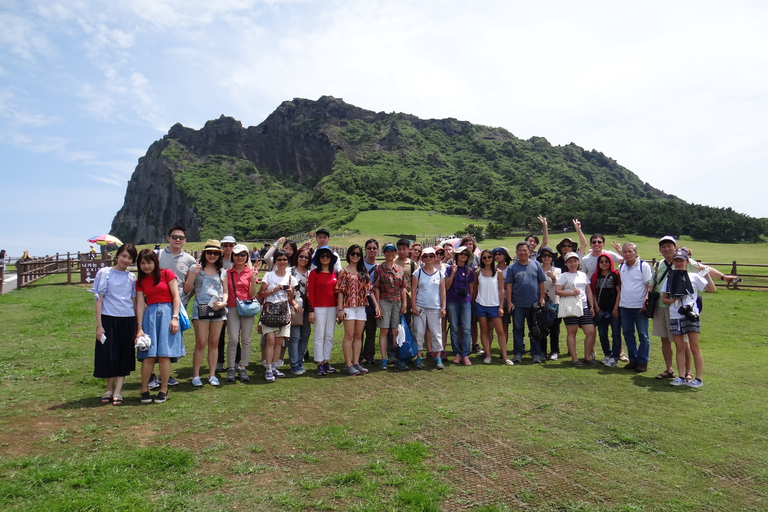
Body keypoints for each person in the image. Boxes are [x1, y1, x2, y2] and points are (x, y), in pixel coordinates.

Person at [91, 243, 138, 406]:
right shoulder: (104, 273)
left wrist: (138, 325)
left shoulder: (131, 277)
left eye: (130, 258)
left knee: (124, 354)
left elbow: (134, 300)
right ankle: (108, 390)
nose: (126, 260)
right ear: (117, 255)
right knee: (108, 355)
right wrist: (99, 325)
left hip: (127, 318)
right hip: (108, 318)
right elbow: (98, 299)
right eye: (124, 256)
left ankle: (118, 391)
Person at [662, 249, 716, 388]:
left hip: (691, 315)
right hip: (675, 315)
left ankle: (698, 378)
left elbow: (712, 289)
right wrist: (674, 299)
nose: (679, 263)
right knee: (679, 347)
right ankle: (680, 376)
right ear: (673, 262)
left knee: (694, 347)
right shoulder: (670, 278)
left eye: (681, 261)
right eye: (676, 261)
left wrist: (706, 273)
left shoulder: (694, 277)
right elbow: (664, 299)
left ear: (687, 262)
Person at [135, 249, 183, 404]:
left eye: (149, 262)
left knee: (164, 354)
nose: (146, 266)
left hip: (167, 313)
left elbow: (176, 296)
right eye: (142, 263)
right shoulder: (140, 281)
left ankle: (163, 389)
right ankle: (144, 389)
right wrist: (139, 327)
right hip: (150, 315)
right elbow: (140, 304)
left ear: (155, 262)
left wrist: (175, 317)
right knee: (148, 355)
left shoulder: (166, 273)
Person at [155, 224, 197, 389]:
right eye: (174, 237)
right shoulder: (157, 255)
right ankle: (151, 374)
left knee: (172, 339)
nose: (177, 240)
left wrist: (187, 297)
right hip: (157, 302)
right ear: (168, 238)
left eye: (181, 237)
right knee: (156, 336)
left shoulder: (190, 260)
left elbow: (188, 287)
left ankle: (164, 375)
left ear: (185, 240)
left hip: (179, 305)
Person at [184, 239, 229, 387]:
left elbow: (225, 291)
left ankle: (212, 374)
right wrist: (194, 273)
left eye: (215, 253)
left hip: (217, 309)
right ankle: (196, 375)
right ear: (204, 253)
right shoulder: (196, 268)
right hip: (201, 309)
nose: (212, 255)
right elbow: (187, 288)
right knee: (201, 343)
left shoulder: (222, 272)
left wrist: (223, 302)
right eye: (209, 252)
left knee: (214, 343)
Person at [257, 249, 299, 382]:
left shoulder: (291, 278)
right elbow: (260, 294)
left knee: (279, 342)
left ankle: (274, 366)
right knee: (270, 340)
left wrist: (290, 292)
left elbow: (290, 298)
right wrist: (273, 290)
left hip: (283, 312)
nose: (282, 262)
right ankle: (268, 368)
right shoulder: (269, 276)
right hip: (269, 311)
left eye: (284, 259)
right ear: (275, 261)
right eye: (279, 259)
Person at [336, 244, 377, 375]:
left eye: (358, 254)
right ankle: (348, 364)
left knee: (358, 335)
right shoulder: (344, 271)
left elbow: (370, 290)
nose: (355, 256)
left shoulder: (363, 271)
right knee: (349, 335)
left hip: (361, 306)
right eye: (353, 253)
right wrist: (340, 309)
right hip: (348, 306)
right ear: (349, 255)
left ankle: (356, 362)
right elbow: (340, 291)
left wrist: (376, 305)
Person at [652, 236, 689, 380]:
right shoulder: (657, 265)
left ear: (675, 247)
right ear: (660, 250)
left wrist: (723, 277)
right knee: (665, 339)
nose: (666, 249)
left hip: (679, 308)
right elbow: (652, 284)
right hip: (660, 306)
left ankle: (687, 372)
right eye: (663, 247)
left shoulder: (683, 262)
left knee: (683, 341)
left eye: (669, 246)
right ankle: (669, 369)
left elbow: (705, 270)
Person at [505, 241, 547, 363]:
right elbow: (509, 286)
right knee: (518, 329)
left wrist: (542, 298)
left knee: (535, 329)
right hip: (517, 304)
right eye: (520, 250)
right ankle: (518, 354)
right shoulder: (512, 267)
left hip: (533, 304)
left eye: (525, 250)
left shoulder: (536, 265)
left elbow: (541, 282)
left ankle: (536, 354)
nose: (522, 252)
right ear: (516, 252)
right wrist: (509, 302)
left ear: (529, 252)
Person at [224, 244, 259, 382]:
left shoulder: (250, 272)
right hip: (232, 307)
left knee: (246, 339)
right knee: (233, 339)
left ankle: (243, 367)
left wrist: (253, 279)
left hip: (247, 307)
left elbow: (252, 293)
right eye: (237, 255)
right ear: (232, 256)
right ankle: (231, 367)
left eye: (243, 255)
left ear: (247, 257)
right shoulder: (227, 273)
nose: (240, 257)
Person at [555, 252, 597, 366]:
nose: (573, 264)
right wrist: (571, 293)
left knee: (591, 332)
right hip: (571, 307)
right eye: (570, 262)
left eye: (575, 261)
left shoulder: (583, 275)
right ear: (566, 263)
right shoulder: (563, 276)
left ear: (578, 262)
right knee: (572, 332)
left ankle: (587, 356)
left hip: (584, 307)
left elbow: (588, 291)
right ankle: (574, 358)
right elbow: (557, 291)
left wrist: (591, 306)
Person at [618, 242, 652, 373]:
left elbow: (649, 285)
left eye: (630, 251)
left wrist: (646, 300)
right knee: (627, 333)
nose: (627, 254)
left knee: (643, 334)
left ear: (636, 252)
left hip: (639, 306)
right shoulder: (621, 266)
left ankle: (643, 361)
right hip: (625, 305)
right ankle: (633, 359)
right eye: (625, 252)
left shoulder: (643, 266)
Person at [411, 247, 447, 370]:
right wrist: (413, 306)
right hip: (420, 306)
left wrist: (443, 307)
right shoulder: (418, 273)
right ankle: (419, 356)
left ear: (434, 257)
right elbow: (413, 290)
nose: (428, 258)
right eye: (426, 256)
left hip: (435, 307)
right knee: (418, 332)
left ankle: (438, 357)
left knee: (436, 332)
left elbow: (442, 292)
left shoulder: (440, 273)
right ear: (422, 258)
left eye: (431, 256)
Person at [373, 243, 408, 370]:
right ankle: (383, 359)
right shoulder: (379, 269)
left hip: (397, 302)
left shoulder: (400, 269)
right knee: (384, 331)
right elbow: (376, 288)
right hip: (384, 301)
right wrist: (377, 305)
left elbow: (403, 288)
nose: (390, 254)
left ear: (395, 253)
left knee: (395, 331)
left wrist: (404, 304)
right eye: (387, 251)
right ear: (384, 253)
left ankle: (395, 357)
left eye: (392, 251)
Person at [474, 250, 511, 365]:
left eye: (489, 257)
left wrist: (501, 306)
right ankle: (488, 355)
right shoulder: (478, 272)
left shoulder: (498, 272)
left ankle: (505, 356)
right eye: (484, 257)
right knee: (484, 330)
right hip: (481, 304)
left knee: (500, 331)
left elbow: (501, 290)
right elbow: (475, 289)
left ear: (493, 258)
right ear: (482, 259)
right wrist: (473, 303)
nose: (487, 259)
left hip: (494, 305)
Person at [307, 246, 338, 375]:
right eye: (322, 256)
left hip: (332, 307)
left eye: (327, 256)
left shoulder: (335, 273)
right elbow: (310, 293)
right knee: (319, 335)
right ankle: (319, 362)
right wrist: (311, 310)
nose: (325, 258)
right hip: (319, 308)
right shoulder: (314, 273)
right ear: (318, 258)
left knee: (329, 335)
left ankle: (326, 360)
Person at [445, 246, 476, 365]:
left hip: (465, 301)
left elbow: (471, 288)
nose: (463, 256)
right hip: (452, 300)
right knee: (453, 328)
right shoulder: (449, 269)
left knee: (466, 328)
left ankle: (465, 354)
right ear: (457, 255)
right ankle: (456, 353)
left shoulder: (469, 271)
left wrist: (470, 301)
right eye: (461, 254)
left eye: (465, 254)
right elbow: (447, 286)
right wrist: (453, 272)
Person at [590, 254, 622, 366]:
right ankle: (607, 354)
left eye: (606, 261)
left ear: (610, 262)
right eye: (601, 261)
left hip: (613, 308)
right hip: (601, 309)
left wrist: (616, 308)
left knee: (616, 333)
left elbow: (619, 292)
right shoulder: (595, 276)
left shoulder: (615, 275)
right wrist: (596, 305)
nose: (604, 264)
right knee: (602, 333)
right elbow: (593, 292)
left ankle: (615, 356)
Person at [287, 247, 313, 375]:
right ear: (296, 257)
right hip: (293, 307)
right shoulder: (289, 271)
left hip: (307, 307)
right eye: (301, 256)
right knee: (295, 336)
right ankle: (294, 363)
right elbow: (287, 291)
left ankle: (300, 360)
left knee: (305, 335)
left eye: (306, 257)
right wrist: (293, 303)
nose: (303, 259)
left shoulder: (310, 273)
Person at [216, 235, 237, 373]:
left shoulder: (238, 259)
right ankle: (219, 360)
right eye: (225, 245)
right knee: (219, 333)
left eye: (231, 245)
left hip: (234, 300)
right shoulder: (218, 261)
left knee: (234, 333)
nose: (228, 248)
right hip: (219, 298)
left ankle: (235, 360)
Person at [537, 247, 561, 360]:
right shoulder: (538, 270)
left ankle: (554, 351)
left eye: (549, 256)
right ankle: (542, 351)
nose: (547, 258)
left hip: (554, 302)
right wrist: (541, 293)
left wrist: (553, 278)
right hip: (541, 301)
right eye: (544, 256)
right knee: (542, 328)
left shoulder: (557, 270)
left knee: (554, 328)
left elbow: (559, 284)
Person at [360, 239, 380, 365]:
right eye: (369, 248)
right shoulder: (360, 264)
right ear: (365, 250)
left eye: (374, 248)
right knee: (359, 330)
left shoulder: (379, 267)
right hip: (360, 298)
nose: (371, 250)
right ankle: (358, 355)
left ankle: (369, 355)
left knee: (371, 330)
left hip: (373, 299)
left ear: (377, 250)